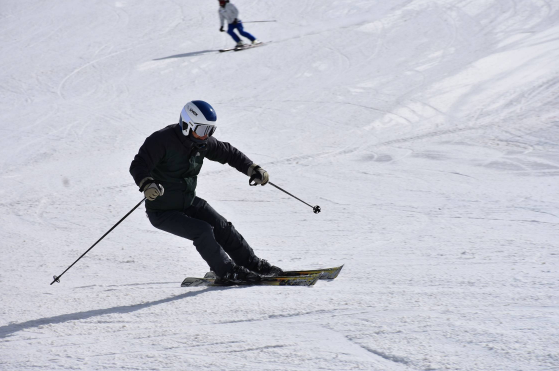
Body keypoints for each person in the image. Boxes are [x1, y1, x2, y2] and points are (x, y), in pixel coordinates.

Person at [130, 100, 283, 285]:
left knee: (222, 226)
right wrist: (147, 184)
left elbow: (229, 153)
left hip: (188, 202)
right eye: (202, 130)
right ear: (186, 125)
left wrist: (252, 168)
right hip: (163, 211)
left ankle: (252, 265)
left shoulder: (200, 142)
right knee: (202, 231)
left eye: (210, 131)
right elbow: (139, 164)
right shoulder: (161, 140)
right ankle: (226, 272)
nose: (206, 136)